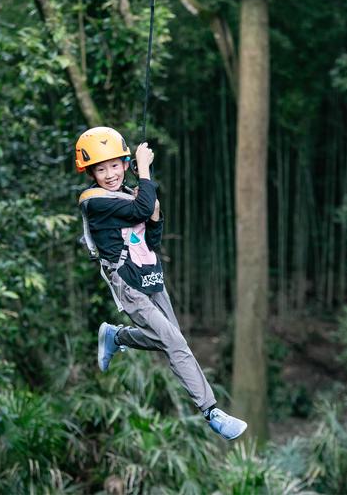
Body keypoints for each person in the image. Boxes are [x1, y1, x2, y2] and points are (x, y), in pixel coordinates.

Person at [75, 126, 247, 441]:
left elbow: (152, 236)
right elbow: (140, 209)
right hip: (128, 283)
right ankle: (212, 412)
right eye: (101, 168)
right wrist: (145, 170)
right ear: (91, 172)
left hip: (152, 277)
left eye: (115, 165)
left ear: (123, 164)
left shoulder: (129, 195)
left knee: (168, 340)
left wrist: (155, 214)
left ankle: (116, 336)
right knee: (176, 343)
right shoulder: (94, 200)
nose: (110, 173)